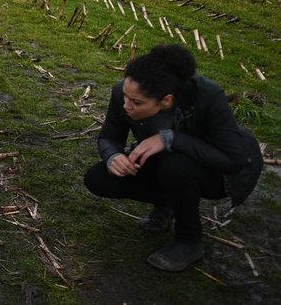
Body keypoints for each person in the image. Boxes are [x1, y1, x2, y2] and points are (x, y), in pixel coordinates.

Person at [83, 45, 262, 271]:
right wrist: (113, 156)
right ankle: (166, 203)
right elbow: (109, 136)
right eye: (126, 97)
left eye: (136, 103)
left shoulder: (207, 96)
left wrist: (170, 139)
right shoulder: (125, 92)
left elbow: (232, 160)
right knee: (99, 178)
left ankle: (189, 241)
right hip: (166, 160)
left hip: (222, 171)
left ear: (166, 101)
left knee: (175, 166)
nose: (126, 105)